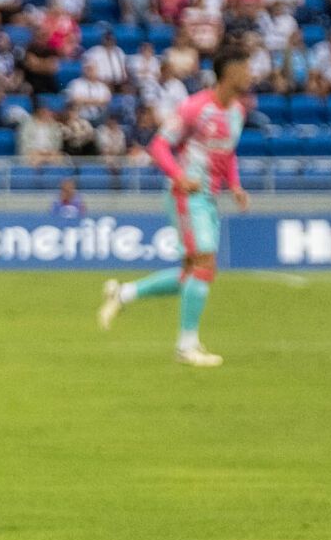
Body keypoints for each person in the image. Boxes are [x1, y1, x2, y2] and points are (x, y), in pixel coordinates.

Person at [96, 42, 251, 366]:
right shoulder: (195, 107)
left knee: (190, 273)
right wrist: (179, 176)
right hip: (188, 195)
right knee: (205, 264)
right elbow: (159, 146)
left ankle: (123, 294)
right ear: (229, 72)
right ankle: (186, 346)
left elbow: (227, 152)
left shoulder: (237, 111)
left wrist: (235, 185)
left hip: (208, 197)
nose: (251, 74)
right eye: (245, 68)